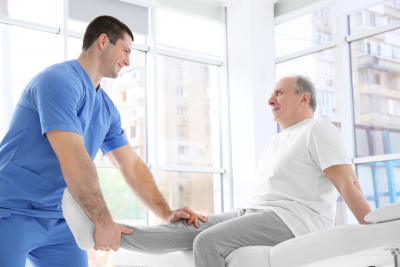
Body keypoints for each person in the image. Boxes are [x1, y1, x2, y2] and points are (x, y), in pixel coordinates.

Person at [65, 75, 373, 267]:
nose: (270, 100)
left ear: (304, 99)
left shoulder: (319, 129)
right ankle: (99, 232)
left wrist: (373, 232)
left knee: (207, 242)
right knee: (185, 229)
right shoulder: (278, 140)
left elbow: (349, 185)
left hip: (294, 221)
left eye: (279, 93)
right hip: (254, 212)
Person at [0, 15, 205, 267]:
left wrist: (166, 212)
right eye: (126, 51)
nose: (128, 61)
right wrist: (103, 222)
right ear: (103, 40)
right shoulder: (57, 81)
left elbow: (130, 165)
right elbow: (74, 158)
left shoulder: (106, 108)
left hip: (59, 219)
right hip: (9, 210)